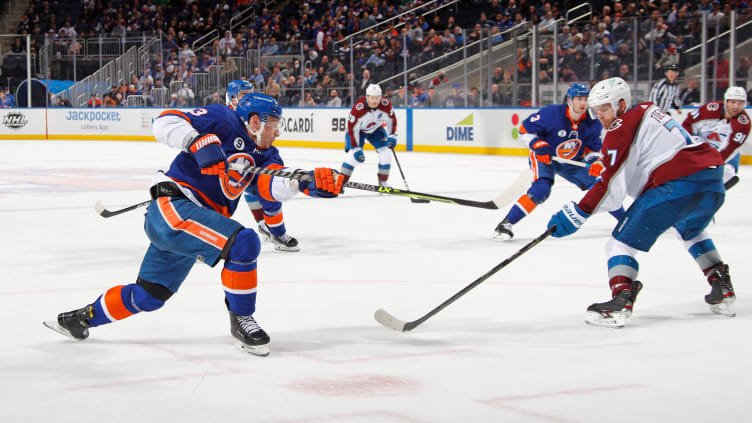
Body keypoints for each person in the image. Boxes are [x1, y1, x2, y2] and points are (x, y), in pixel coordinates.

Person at [43, 93, 341, 356]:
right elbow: (164, 121)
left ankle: (81, 318)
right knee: (244, 241)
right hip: (173, 209)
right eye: (275, 124)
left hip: (193, 226)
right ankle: (242, 321)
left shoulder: (266, 155)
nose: (278, 132)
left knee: (150, 296)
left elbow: (271, 185)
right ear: (255, 121)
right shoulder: (224, 119)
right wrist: (196, 141)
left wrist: (308, 183)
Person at [547, 77, 734, 328]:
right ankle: (721, 283)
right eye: (596, 110)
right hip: (711, 181)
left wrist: (577, 213)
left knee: (618, 244)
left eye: (604, 108)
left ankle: (621, 299)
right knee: (692, 230)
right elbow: (641, 162)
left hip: (676, 185)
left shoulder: (620, 126)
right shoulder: (648, 109)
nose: (600, 115)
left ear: (621, 104)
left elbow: (613, 188)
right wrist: (607, 164)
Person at [493, 84, 625, 241]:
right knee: (542, 189)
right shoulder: (552, 114)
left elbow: (592, 148)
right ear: (569, 100)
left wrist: (595, 161)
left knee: (600, 187)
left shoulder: (593, 121)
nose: (583, 104)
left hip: (572, 161)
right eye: (579, 99)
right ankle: (506, 224)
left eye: (586, 99)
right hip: (545, 157)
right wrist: (538, 145)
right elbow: (524, 130)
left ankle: (625, 220)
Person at [225, 80, 299, 252]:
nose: (249, 97)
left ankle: (272, 230)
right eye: (244, 94)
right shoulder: (225, 117)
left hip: (250, 161)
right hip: (226, 171)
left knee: (263, 186)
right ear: (232, 98)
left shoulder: (253, 115)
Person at [681, 86, 750, 188]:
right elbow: (688, 124)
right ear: (726, 101)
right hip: (701, 147)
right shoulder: (710, 109)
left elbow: (730, 149)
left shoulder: (743, 124)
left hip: (724, 156)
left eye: (740, 103)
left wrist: (711, 164)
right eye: (733, 102)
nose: (736, 107)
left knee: (728, 174)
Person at [336, 84, 398, 190]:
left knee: (386, 152)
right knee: (354, 157)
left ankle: (383, 182)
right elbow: (352, 129)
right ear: (367, 96)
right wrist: (356, 149)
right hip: (358, 132)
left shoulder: (385, 104)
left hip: (376, 129)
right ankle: (340, 183)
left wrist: (392, 134)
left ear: (381, 97)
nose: (375, 100)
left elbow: (391, 119)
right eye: (372, 97)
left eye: (377, 97)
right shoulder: (359, 108)